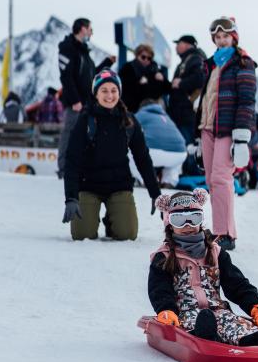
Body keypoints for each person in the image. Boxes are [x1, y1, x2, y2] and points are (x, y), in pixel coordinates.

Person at [148, 189, 258, 346]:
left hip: (218, 311)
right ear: (169, 223)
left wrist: (256, 307)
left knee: (235, 324)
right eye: (179, 220)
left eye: (194, 218)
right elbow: (159, 289)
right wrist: (166, 310)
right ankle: (206, 338)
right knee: (198, 325)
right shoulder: (164, 256)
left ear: (201, 220)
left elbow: (237, 284)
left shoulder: (215, 252)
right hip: (183, 315)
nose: (188, 225)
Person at [62, 69, 161, 241]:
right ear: (96, 94)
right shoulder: (86, 120)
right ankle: (92, 216)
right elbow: (72, 159)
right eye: (104, 91)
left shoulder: (129, 121)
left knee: (127, 234)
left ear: (119, 93)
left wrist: (155, 193)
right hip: (88, 186)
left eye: (114, 90)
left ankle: (113, 219)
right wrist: (71, 197)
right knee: (82, 234)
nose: (109, 95)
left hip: (119, 185)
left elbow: (142, 158)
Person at [193, 16, 257, 251]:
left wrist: (241, 136)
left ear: (234, 37)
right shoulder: (211, 64)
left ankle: (226, 233)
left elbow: (247, 101)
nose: (221, 41)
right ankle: (221, 228)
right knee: (211, 180)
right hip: (207, 126)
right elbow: (203, 100)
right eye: (217, 37)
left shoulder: (243, 63)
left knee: (221, 178)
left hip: (228, 128)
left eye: (225, 37)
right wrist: (195, 136)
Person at [57, 17, 115, 178]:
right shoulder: (68, 48)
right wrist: (75, 100)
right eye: (90, 28)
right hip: (76, 104)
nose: (92, 32)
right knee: (69, 134)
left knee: (86, 135)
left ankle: (81, 167)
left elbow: (90, 77)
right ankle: (63, 169)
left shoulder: (84, 52)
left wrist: (106, 63)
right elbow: (66, 76)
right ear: (82, 29)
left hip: (87, 103)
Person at [167, 35, 206, 174]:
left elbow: (200, 78)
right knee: (186, 143)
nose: (177, 46)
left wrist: (181, 83)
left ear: (188, 44)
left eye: (179, 43)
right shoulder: (189, 60)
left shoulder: (195, 58)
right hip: (183, 113)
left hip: (187, 114)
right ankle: (188, 172)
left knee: (189, 144)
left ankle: (192, 173)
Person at [132, 99, 187, 188]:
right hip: (180, 153)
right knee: (175, 161)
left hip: (153, 152)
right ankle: (169, 182)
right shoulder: (166, 117)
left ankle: (146, 180)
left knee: (128, 152)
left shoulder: (142, 114)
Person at [118, 44, 166, 113]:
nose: (146, 60)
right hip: (131, 109)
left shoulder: (155, 71)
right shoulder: (128, 67)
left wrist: (161, 80)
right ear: (137, 55)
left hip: (149, 109)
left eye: (149, 58)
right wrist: (138, 82)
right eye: (143, 57)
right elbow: (122, 86)